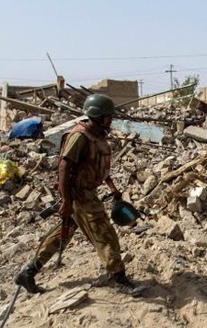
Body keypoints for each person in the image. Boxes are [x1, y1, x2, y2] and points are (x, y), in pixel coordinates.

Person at [15, 93, 144, 296]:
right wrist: (67, 200)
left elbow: (99, 167)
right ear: (97, 116)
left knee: (62, 234)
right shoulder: (79, 136)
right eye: (108, 117)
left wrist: (113, 189)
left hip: (87, 192)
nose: (110, 120)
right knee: (106, 235)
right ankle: (119, 278)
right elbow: (64, 167)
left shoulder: (97, 136)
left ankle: (29, 272)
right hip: (79, 196)